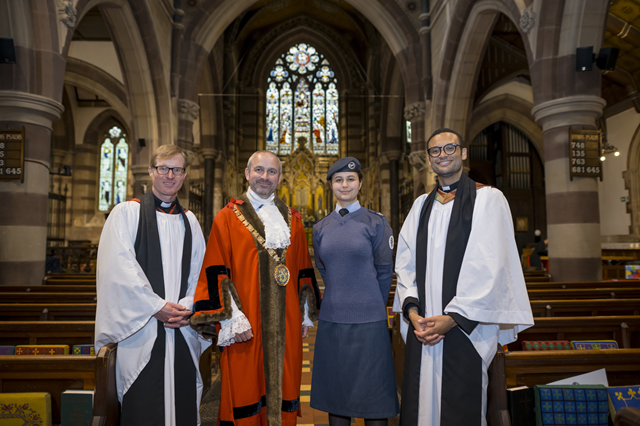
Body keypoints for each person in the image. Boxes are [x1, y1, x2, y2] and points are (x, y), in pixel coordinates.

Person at [393, 128, 534, 426]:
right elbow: (405, 263)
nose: (442, 155)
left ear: (463, 152)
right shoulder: (420, 206)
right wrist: (413, 311)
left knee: (460, 408)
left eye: (449, 148)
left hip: (467, 328)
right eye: (435, 151)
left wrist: (452, 317)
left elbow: (491, 266)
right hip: (423, 327)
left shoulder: (489, 199)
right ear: (429, 158)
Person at [190, 150, 321, 426]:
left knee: (284, 388)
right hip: (245, 324)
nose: (265, 177)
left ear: (280, 177)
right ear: (247, 174)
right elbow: (215, 269)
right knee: (246, 392)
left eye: (271, 172)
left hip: (286, 325)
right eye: (259, 170)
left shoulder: (293, 220)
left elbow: (302, 270)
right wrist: (233, 318)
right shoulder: (227, 217)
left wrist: (304, 313)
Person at [95, 144, 208, 426]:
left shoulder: (190, 221)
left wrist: (185, 307)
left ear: (184, 175)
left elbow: (200, 272)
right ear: (151, 171)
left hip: (181, 328)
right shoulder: (125, 214)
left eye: (177, 169)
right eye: (163, 168)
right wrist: (156, 307)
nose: (170, 175)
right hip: (141, 330)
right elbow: (118, 269)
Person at [310, 157, 399, 426]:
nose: (344, 184)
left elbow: (385, 271)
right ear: (331, 185)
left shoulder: (377, 223)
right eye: (338, 180)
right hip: (333, 319)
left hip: (369, 321)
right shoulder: (320, 227)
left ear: (360, 183)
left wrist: (369, 303)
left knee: (374, 399)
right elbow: (325, 270)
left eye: (350, 179)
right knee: (336, 398)